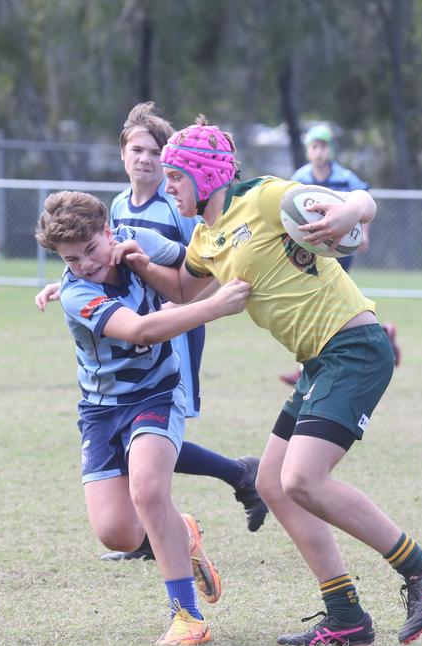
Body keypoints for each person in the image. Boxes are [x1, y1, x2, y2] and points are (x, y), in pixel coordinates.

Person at [122, 116, 422, 646]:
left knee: (303, 479)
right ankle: (345, 613)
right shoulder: (206, 236)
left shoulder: (263, 197)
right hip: (319, 360)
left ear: (207, 176)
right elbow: (185, 290)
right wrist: (139, 263)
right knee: (271, 485)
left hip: (355, 348)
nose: (167, 187)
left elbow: (364, 204)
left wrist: (349, 210)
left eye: (176, 177)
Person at [34, 190, 251, 646]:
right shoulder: (77, 294)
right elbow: (140, 329)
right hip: (100, 410)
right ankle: (182, 530)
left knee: (148, 489)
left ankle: (187, 617)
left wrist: (156, 270)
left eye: (91, 250)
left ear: (108, 231)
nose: (86, 263)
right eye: (71, 259)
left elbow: (198, 268)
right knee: (117, 534)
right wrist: (213, 309)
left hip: (157, 391)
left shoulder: (139, 241)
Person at [103, 102, 268, 560]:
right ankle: (154, 533)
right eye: (136, 149)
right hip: (132, 332)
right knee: (134, 431)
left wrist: (177, 284)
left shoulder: (178, 206)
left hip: (173, 331)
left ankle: (237, 476)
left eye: (155, 152)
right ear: (122, 154)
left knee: (155, 431)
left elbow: (205, 264)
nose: (145, 159)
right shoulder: (118, 205)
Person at [281, 124, 399, 385]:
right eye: (314, 146)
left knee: (326, 300)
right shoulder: (300, 176)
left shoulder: (345, 177)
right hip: (310, 245)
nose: (319, 151)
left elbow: (363, 201)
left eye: (323, 146)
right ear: (308, 151)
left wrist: (364, 235)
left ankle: (309, 369)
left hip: (337, 247)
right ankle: (383, 334)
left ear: (330, 150)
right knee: (324, 301)